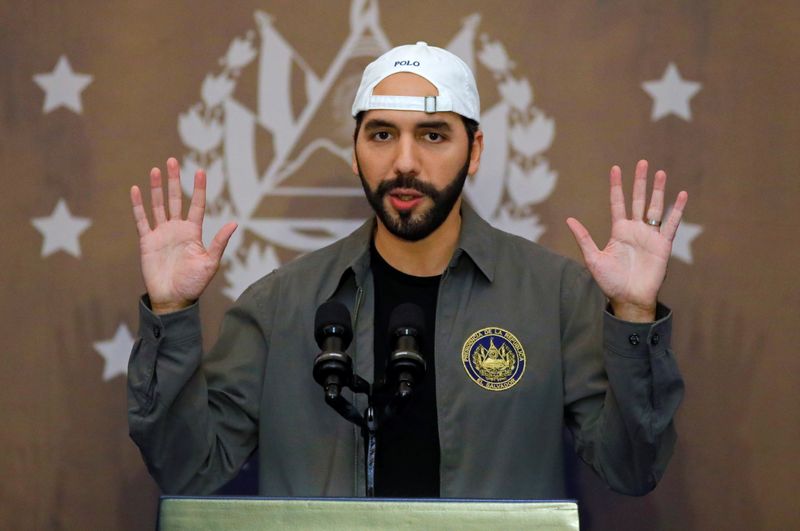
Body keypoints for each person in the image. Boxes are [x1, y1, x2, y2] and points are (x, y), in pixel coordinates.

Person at [128, 42, 688, 499]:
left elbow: (631, 469)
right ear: (354, 151)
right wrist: (172, 314)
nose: (404, 162)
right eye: (381, 134)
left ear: (474, 150)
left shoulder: (556, 296)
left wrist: (635, 315)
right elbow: (189, 470)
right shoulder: (281, 305)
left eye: (433, 135)